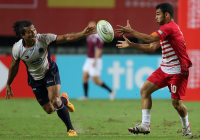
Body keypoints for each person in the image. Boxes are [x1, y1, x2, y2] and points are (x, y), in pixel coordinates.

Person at [6, 20, 96, 136]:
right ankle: (65, 99)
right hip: (35, 79)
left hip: (50, 72)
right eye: (29, 32)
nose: (34, 33)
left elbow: (67, 37)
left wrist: (83, 34)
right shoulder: (17, 49)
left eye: (34, 30)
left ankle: (70, 129)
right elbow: (14, 66)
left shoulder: (44, 38)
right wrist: (9, 83)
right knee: (49, 110)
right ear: (22, 35)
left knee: (55, 101)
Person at [115, 3, 192, 136]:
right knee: (145, 90)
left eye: (158, 14)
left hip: (178, 71)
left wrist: (131, 31)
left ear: (166, 15)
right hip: (165, 68)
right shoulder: (165, 30)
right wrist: (131, 44)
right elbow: (151, 46)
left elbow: (150, 38)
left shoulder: (170, 28)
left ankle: (186, 127)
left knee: (177, 105)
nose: (155, 17)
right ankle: (145, 124)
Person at [79, 21, 116, 101]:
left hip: (96, 60)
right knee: (84, 77)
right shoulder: (88, 36)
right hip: (88, 59)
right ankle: (85, 96)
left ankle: (111, 91)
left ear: (96, 27)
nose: (91, 26)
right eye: (89, 24)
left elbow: (99, 49)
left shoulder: (98, 36)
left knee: (96, 81)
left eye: (93, 25)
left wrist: (95, 60)